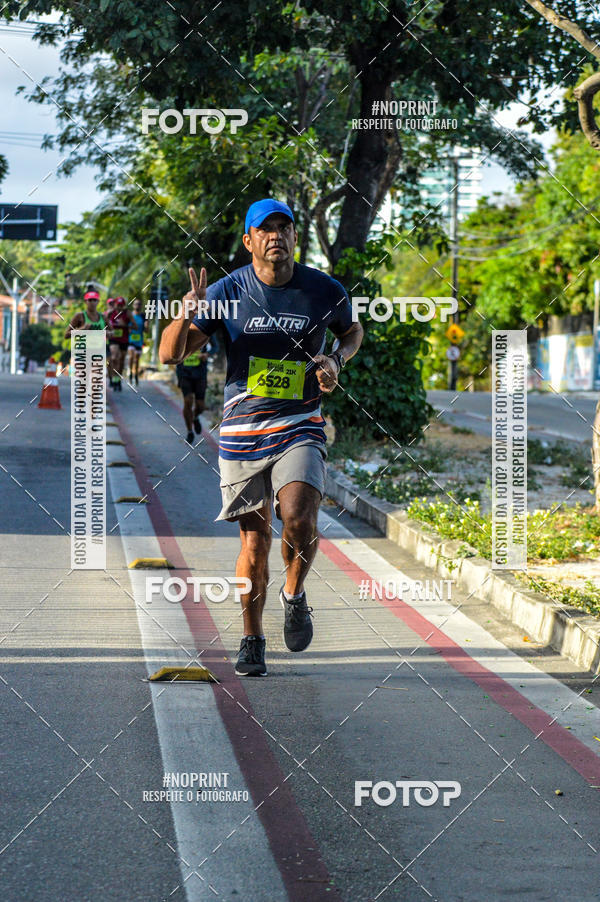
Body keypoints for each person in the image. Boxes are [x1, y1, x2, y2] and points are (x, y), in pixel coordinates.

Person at [160, 198, 363, 677]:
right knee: (254, 542)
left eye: (284, 228)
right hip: (243, 430)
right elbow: (172, 354)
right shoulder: (228, 291)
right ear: (249, 241)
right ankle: (252, 637)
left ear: (296, 237)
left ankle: (294, 594)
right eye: (265, 229)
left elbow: (352, 331)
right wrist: (187, 313)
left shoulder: (322, 289)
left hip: (300, 424)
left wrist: (335, 360)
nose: (276, 236)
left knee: (299, 517)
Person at [175, 343, 211, 445]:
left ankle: (195, 417)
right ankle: (190, 432)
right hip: (184, 373)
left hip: (200, 374)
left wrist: (206, 354)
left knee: (201, 406)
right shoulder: (183, 329)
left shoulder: (206, 329)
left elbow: (215, 346)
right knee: (188, 400)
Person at [107, 296, 131, 391]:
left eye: (121, 306)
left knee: (121, 361)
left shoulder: (127, 314)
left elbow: (135, 326)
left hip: (124, 340)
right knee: (114, 358)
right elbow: (103, 324)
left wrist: (125, 325)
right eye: (118, 305)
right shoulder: (110, 313)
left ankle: (118, 380)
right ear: (115, 305)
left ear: (123, 306)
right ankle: (113, 379)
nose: (119, 307)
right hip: (113, 339)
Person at [127, 298, 146, 386]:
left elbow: (146, 331)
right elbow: (127, 327)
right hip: (131, 339)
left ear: (141, 306)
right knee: (131, 357)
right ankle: (130, 373)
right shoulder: (130, 315)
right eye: (136, 304)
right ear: (133, 305)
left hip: (139, 340)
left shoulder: (143, 316)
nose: (137, 305)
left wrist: (147, 325)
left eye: (139, 304)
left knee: (137, 359)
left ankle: (136, 375)